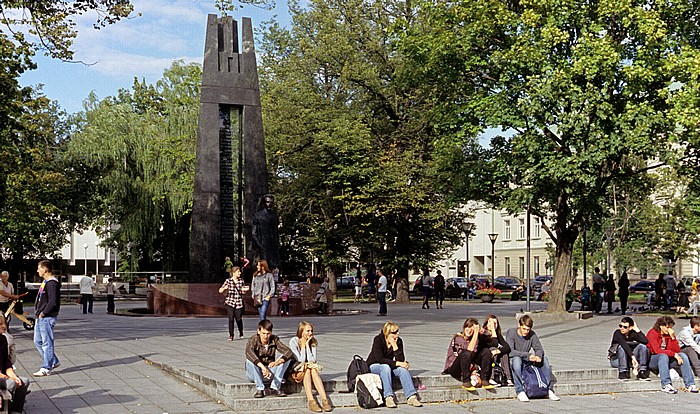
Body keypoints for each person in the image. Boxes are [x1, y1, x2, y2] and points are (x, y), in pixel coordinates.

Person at [367, 322, 422, 408]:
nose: (397, 334)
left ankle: (411, 396)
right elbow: (380, 359)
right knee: (385, 367)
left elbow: (401, 360)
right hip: (374, 365)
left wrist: (395, 346)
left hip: (388, 366)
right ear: (387, 333)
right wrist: (398, 363)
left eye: (398, 331)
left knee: (402, 370)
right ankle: (388, 397)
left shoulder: (399, 341)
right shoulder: (378, 339)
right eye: (394, 332)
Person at [505, 315, 559, 402]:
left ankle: (548, 389)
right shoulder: (511, 332)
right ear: (519, 325)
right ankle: (520, 390)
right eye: (524, 329)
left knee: (544, 359)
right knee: (517, 360)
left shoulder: (532, 334)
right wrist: (528, 355)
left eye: (528, 330)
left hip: (527, 359)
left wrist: (538, 356)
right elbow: (510, 351)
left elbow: (539, 349)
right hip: (515, 358)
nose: (526, 332)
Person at [646, 315, 698, 394]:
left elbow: (676, 350)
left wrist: (673, 338)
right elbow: (657, 350)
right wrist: (673, 354)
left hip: (667, 359)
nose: (669, 329)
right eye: (667, 327)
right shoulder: (652, 333)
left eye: (670, 327)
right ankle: (666, 384)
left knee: (682, 356)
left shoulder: (668, 335)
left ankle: (690, 384)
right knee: (663, 356)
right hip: (654, 360)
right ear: (661, 326)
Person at [289, 321, 332, 412]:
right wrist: (304, 346)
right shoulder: (294, 341)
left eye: (311, 331)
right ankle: (311, 401)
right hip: (296, 371)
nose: (310, 333)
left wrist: (308, 346)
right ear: (301, 331)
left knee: (311, 369)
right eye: (308, 331)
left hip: (308, 369)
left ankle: (325, 400)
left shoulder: (313, 342)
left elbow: (313, 360)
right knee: (308, 369)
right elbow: (300, 360)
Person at [245, 319, 293, 398]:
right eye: (263, 333)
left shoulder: (274, 339)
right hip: (255, 372)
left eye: (268, 334)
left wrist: (277, 362)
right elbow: (249, 353)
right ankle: (260, 389)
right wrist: (263, 367)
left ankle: (275, 387)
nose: (265, 336)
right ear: (258, 331)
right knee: (250, 360)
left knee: (286, 359)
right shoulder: (253, 340)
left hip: (270, 371)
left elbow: (288, 352)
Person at [442, 318, 494, 390]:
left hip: (468, 366)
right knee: (466, 353)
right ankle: (466, 381)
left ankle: (484, 379)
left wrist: (482, 330)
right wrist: (475, 333)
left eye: (472, 329)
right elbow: (469, 350)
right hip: (454, 367)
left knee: (486, 351)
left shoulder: (474, 339)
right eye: (468, 327)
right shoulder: (458, 338)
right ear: (464, 327)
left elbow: (489, 335)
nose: (469, 330)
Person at [33, 259, 61, 376]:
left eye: (39, 268)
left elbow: (53, 301)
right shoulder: (46, 282)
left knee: (46, 342)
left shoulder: (52, 283)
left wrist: (44, 313)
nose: (37, 270)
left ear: (45, 269)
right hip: (40, 316)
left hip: (46, 317)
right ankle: (53, 360)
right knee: (37, 341)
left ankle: (46, 367)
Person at [0, 315, 29, 413]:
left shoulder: (3, 339)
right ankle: (7, 409)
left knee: (24, 381)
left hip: (3, 374)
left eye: (4, 323)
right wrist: (8, 378)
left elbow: (6, 363)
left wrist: (14, 376)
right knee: (11, 384)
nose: (4, 326)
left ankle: (16, 410)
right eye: (0, 324)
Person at [252, 194, 281, 268]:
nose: (269, 204)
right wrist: (260, 246)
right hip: (263, 245)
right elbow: (254, 233)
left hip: (273, 246)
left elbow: (276, 232)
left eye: (271, 202)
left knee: (274, 267)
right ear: (264, 203)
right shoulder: (258, 215)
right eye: (267, 202)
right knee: (264, 266)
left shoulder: (274, 216)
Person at [482, 315, 512, 386]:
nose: (494, 325)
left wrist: (499, 351)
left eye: (495, 323)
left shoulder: (498, 335)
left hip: (495, 358)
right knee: (493, 349)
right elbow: (493, 343)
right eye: (492, 323)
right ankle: (491, 378)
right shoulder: (483, 334)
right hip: (485, 358)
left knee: (503, 353)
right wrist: (492, 329)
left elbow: (507, 347)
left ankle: (508, 378)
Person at [219, 266, 245, 340]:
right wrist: (224, 288)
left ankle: (241, 331)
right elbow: (220, 290)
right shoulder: (228, 281)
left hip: (239, 302)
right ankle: (231, 335)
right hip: (230, 302)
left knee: (238, 319)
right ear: (233, 273)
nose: (239, 273)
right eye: (238, 272)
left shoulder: (241, 281)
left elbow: (242, 291)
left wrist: (244, 291)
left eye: (240, 272)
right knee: (231, 318)